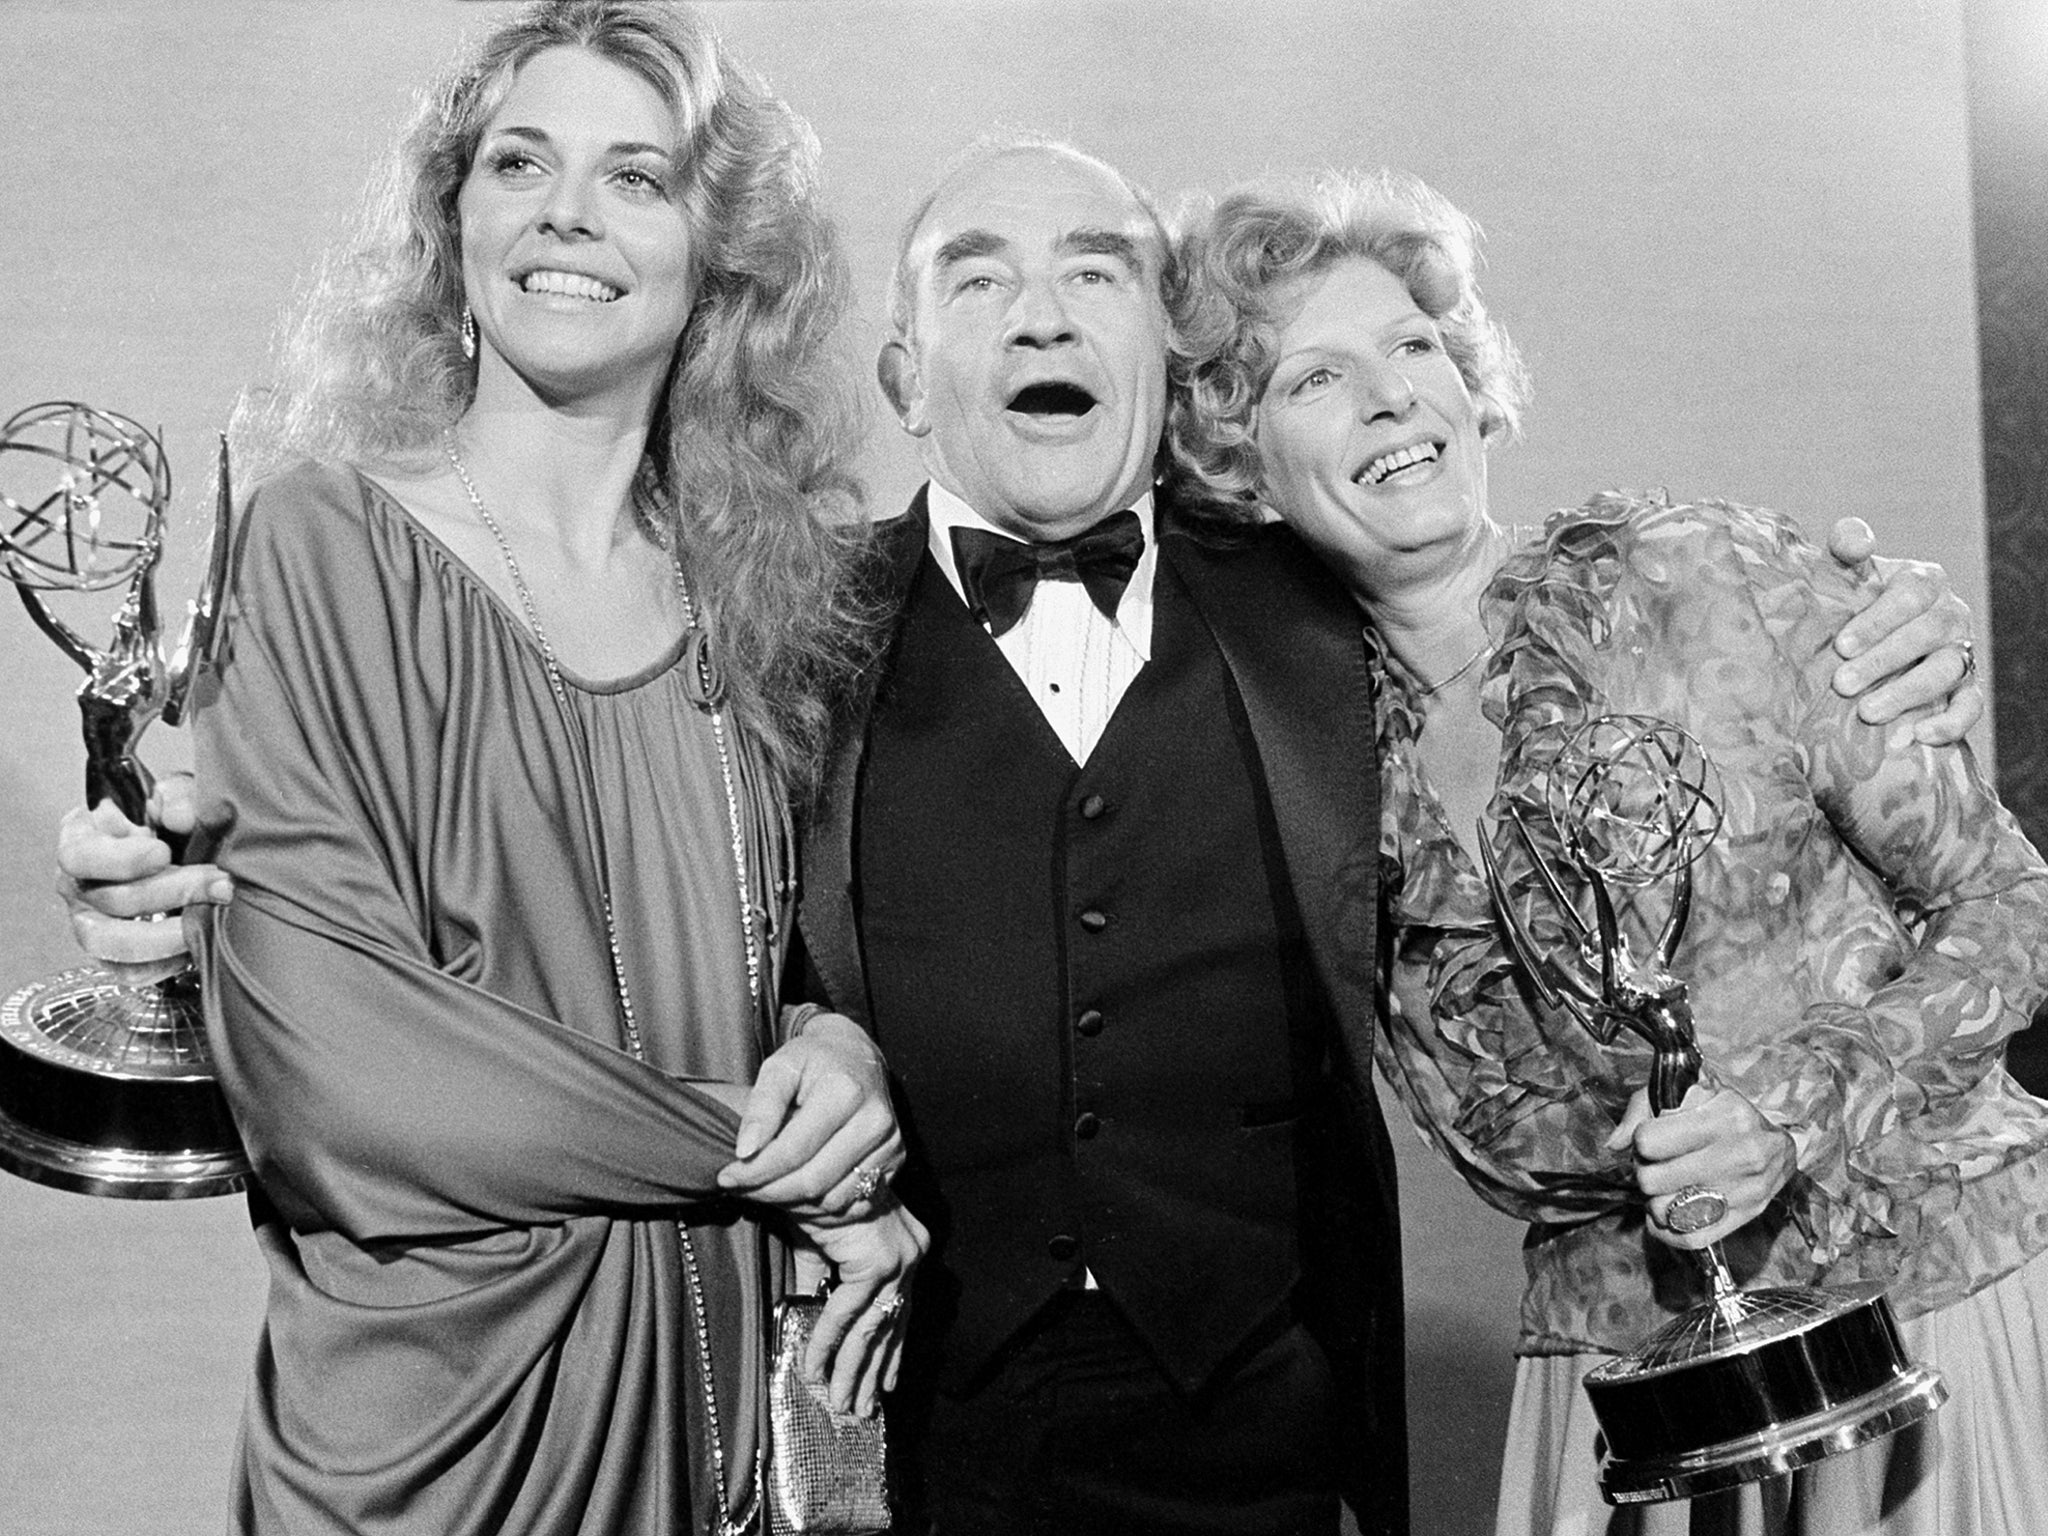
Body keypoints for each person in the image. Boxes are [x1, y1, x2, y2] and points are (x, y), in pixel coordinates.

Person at [62, 136, 1975, 1536]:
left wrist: (1867, 625)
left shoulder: (1323, 619)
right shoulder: (772, 628)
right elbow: (560, 852)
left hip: (1272, 1441)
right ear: (907, 378)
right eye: (977, 275)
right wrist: (181, 880)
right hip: (914, 1441)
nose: (1041, 308)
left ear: (1164, 363)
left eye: (1093, 270)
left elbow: (1521, 657)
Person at [58, 4, 926, 1533]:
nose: (564, 213)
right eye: (518, 162)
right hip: (426, 1438)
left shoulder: (749, 591)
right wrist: (791, 1166)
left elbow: (730, 966)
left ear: (717, 259)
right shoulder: (326, 544)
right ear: (450, 219)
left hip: (707, 1418)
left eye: (636, 177)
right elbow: (340, 1075)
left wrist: (835, 1057)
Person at [1167, 165, 2048, 1536]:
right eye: (1315, 380)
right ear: (1240, 464)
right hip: (1635, 1388)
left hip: (1934, 1300)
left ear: (1466, 384)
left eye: (1413, 347)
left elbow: (2009, 902)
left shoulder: (1695, 578)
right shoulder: (1304, 774)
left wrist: (1790, 1107)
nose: (1394, 393)